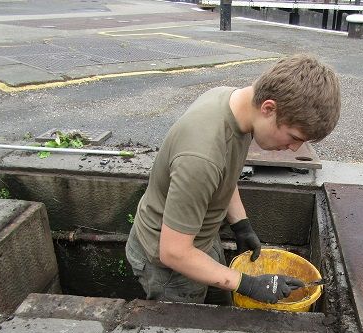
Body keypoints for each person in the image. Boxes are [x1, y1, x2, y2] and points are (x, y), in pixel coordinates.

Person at [126, 54, 341, 305]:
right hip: (169, 264)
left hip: (200, 238)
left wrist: (241, 224)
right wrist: (249, 284)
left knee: (222, 308)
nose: (295, 149)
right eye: (294, 137)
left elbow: (224, 174)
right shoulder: (200, 157)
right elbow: (173, 252)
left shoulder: (235, 104)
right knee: (188, 331)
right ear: (268, 108)